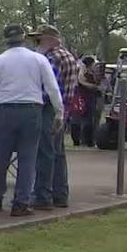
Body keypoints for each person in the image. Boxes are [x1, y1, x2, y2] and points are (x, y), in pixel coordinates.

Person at [0, 25, 63, 216]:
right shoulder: (39, 59)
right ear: (24, 38)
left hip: (5, 110)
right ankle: (21, 202)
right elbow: (52, 88)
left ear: (6, 40)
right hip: (31, 109)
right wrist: (59, 112)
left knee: (0, 156)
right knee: (28, 158)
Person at [28, 25, 78, 210]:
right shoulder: (68, 56)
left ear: (49, 39)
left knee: (45, 153)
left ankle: (42, 195)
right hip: (63, 109)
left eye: (38, 39)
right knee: (57, 153)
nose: (36, 43)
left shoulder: (52, 58)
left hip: (49, 109)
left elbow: (49, 88)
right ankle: (60, 194)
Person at [69, 56, 102, 147]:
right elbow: (82, 81)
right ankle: (82, 140)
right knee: (81, 119)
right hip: (83, 98)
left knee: (87, 120)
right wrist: (92, 86)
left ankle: (86, 140)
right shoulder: (82, 72)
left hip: (89, 98)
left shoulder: (90, 73)